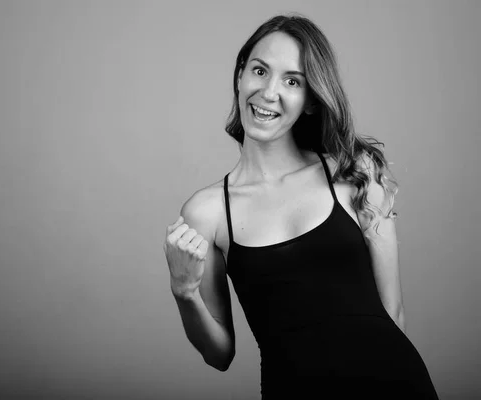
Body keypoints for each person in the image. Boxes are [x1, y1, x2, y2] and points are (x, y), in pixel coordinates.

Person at [163, 14, 440, 399]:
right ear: (241, 75)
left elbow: (392, 312)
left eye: (292, 81)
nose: (269, 91)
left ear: (310, 100)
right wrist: (184, 291)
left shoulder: (354, 172)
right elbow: (219, 354)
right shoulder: (206, 213)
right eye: (260, 71)